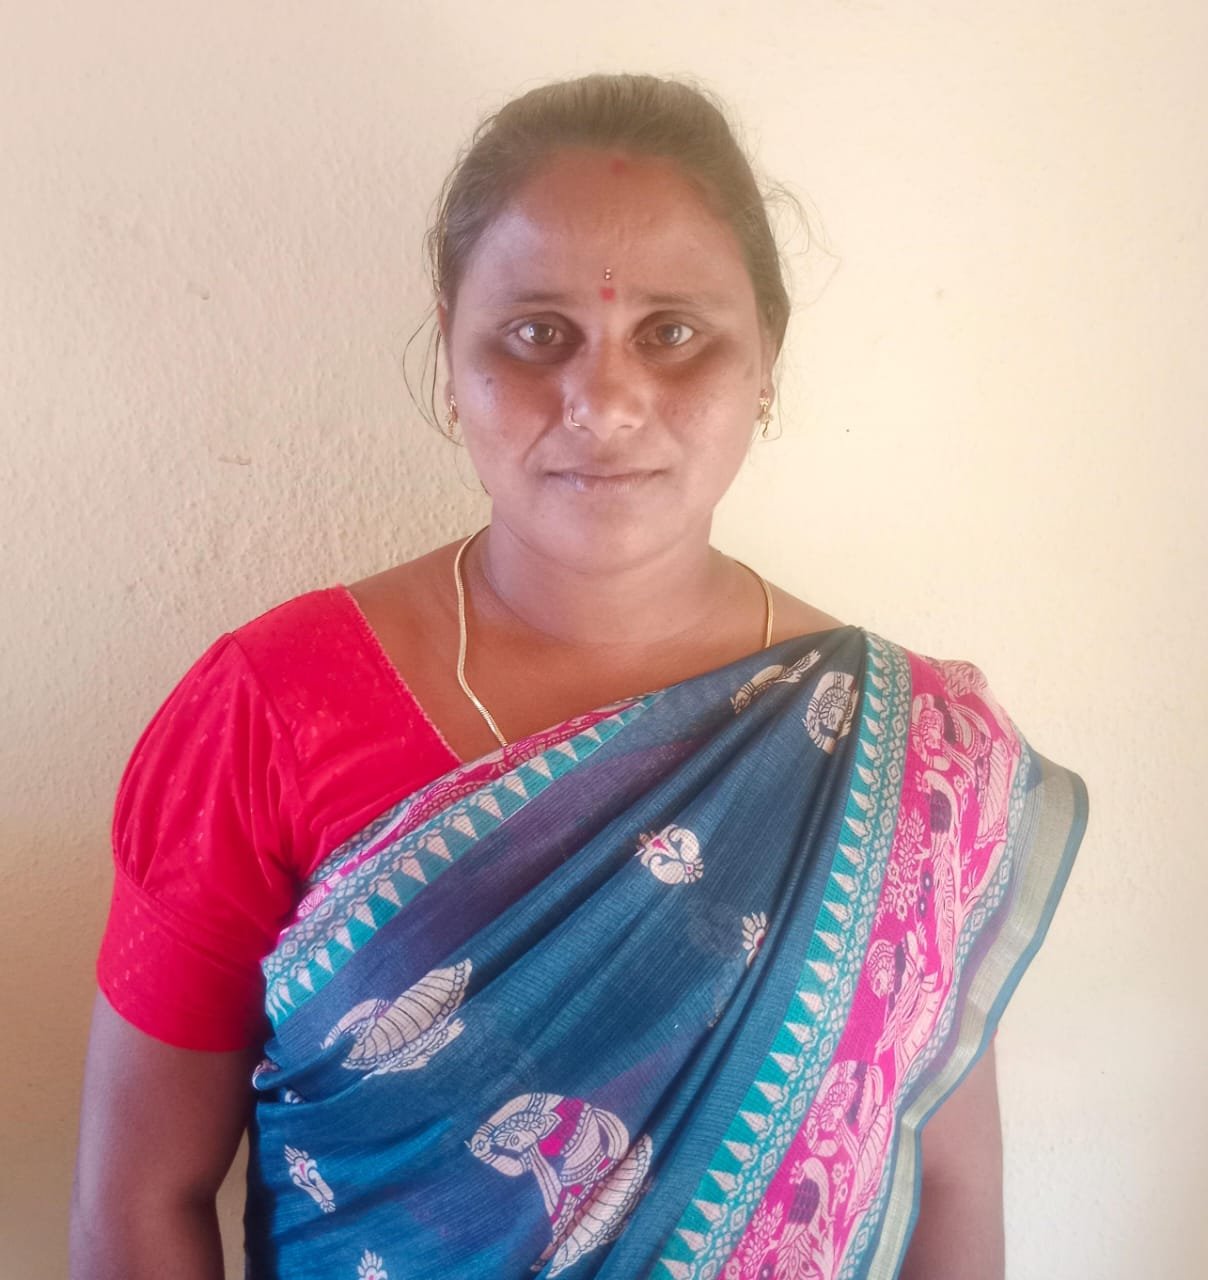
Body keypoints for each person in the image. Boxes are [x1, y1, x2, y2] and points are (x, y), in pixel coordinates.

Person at [70, 73, 1087, 1280]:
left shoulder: (910, 753)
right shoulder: (275, 709)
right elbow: (140, 1195)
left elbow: (946, 1185)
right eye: (536, 333)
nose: (603, 402)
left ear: (765, 359)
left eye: (673, 333)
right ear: (450, 356)